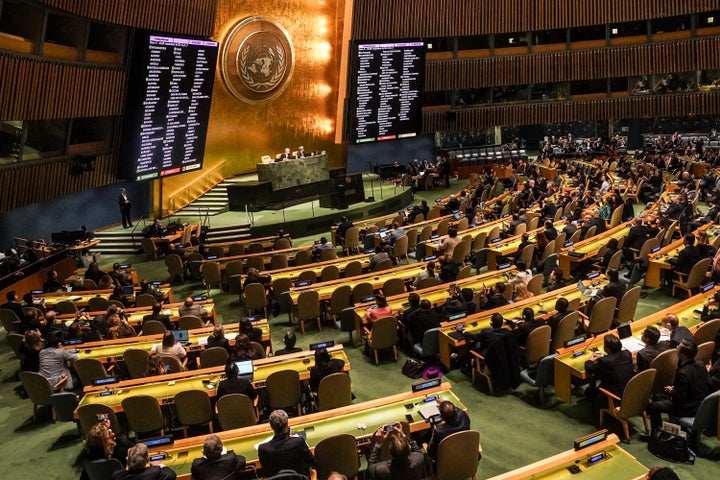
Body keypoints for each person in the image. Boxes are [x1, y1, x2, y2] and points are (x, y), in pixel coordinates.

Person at [646, 339, 710, 430]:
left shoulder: (683, 373)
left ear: (683, 354)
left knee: (652, 406)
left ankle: (658, 432)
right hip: (701, 403)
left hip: (688, 408)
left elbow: (680, 399)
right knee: (660, 397)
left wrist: (671, 390)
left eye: (678, 348)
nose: (676, 348)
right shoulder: (701, 364)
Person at [258, 410, 316, 477]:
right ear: (287, 424)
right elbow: (312, 462)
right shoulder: (298, 442)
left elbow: (266, 472)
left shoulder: (263, 449)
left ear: (271, 426)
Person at [584, 334, 634, 411]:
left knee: (588, 392)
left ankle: (596, 411)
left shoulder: (605, 361)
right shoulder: (627, 353)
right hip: (629, 391)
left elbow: (589, 369)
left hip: (614, 397)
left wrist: (589, 360)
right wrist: (604, 357)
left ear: (607, 348)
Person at [112, 443, 176, 480]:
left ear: (128, 459)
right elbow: (171, 475)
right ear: (147, 460)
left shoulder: (117, 475)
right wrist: (160, 465)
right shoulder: (155, 472)